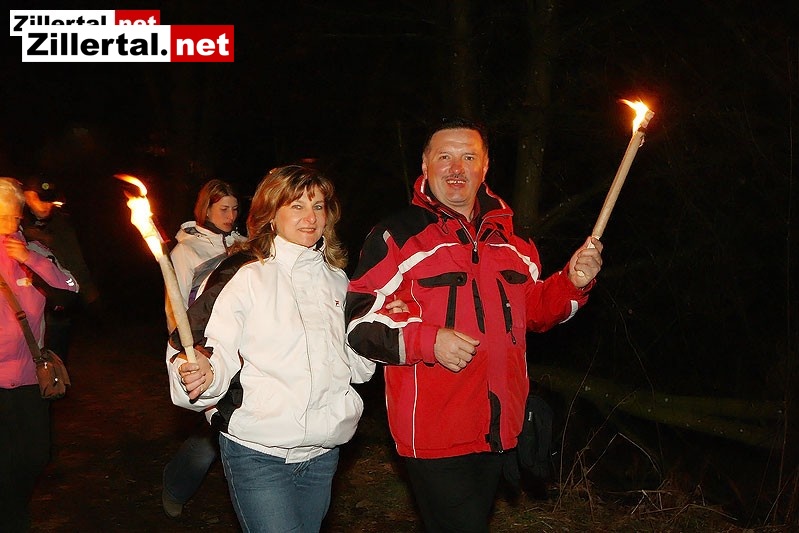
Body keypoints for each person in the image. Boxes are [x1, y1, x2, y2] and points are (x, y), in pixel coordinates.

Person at [345, 118, 604, 533]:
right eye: (444, 157)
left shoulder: (515, 241)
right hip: (434, 430)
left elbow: (534, 312)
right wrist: (429, 341)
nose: (456, 168)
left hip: (499, 426)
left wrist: (572, 283)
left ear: (485, 166)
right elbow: (358, 323)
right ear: (425, 165)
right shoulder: (396, 236)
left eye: (468, 157)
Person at [166, 165, 377, 532]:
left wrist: (376, 329)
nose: (310, 217)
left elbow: (356, 367)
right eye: (297, 206)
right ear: (271, 214)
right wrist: (203, 374)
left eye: (318, 206)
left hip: (323, 452)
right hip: (258, 450)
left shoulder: (338, 280)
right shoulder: (243, 274)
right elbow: (211, 348)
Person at [161, 179, 245, 518]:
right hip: (206, 349)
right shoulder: (186, 251)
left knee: (237, 418)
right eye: (223, 208)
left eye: (235, 208)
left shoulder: (244, 244)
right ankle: (176, 486)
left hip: (242, 347)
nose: (230, 215)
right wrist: (188, 350)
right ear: (206, 209)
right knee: (217, 425)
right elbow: (175, 304)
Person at [0, 177, 79, 532]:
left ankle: (11, 507)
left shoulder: (34, 251)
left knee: (35, 455)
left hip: (30, 375)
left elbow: (70, 288)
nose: (7, 223)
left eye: (12, 215)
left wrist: (29, 258)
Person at [22, 174, 99, 362]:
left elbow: (75, 262)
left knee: (55, 363)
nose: (46, 205)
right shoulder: (14, 223)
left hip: (56, 309)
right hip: (23, 309)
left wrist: (90, 296)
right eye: (40, 198)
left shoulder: (62, 225)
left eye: (49, 199)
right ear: (26, 196)